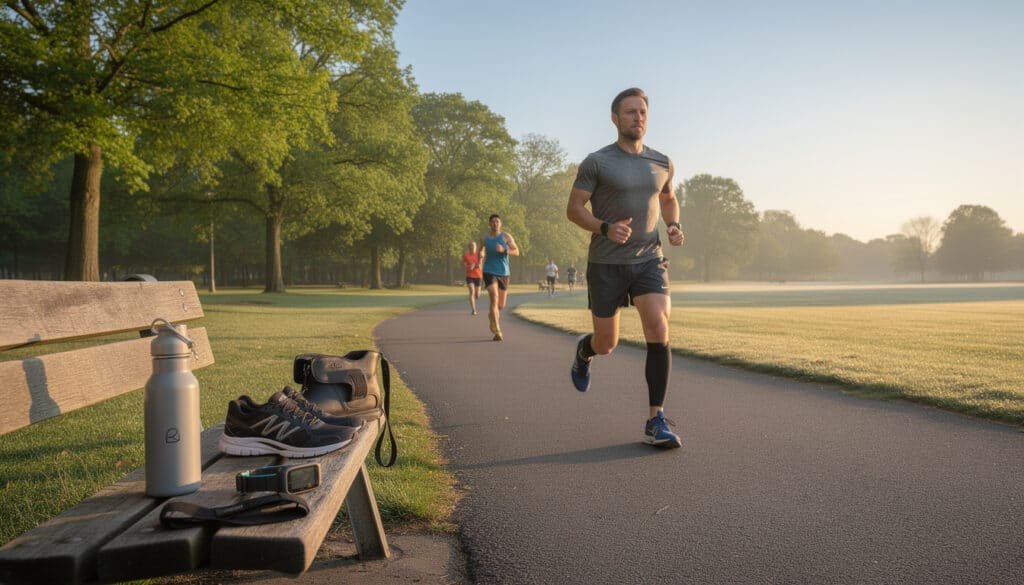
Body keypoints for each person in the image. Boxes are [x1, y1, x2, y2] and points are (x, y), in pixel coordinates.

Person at [565, 87, 685, 448]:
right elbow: (574, 208)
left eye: (643, 112)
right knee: (607, 342)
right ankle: (584, 353)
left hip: (649, 257)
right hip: (606, 263)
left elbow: (668, 198)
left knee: (659, 326)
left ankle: (655, 419)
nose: (638, 118)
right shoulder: (597, 162)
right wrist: (604, 227)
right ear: (615, 118)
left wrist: (674, 224)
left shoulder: (662, 162)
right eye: (631, 112)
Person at [479, 213, 519, 341]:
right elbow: (481, 250)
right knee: (494, 299)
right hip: (489, 271)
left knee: (500, 305)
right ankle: (498, 330)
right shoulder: (485, 238)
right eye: (493, 221)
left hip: (504, 273)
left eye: (497, 221)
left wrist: (504, 250)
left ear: (500, 224)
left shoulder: (506, 237)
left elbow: (517, 251)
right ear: (489, 224)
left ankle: (492, 317)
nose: (495, 223)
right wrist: (480, 255)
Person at [462, 241, 483, 315]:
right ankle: (474, 310)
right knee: (471, 291)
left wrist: (474, 265)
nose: (472, 247)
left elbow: (480, 265)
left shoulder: (479, 254)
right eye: (471, 246)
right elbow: (463, 264)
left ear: (476, 247)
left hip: (478, 276)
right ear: (469, 247)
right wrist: (468, 266)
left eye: (474, 246)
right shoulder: (466, 255)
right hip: (469, 276)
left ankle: (475, 296)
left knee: (477, 295)